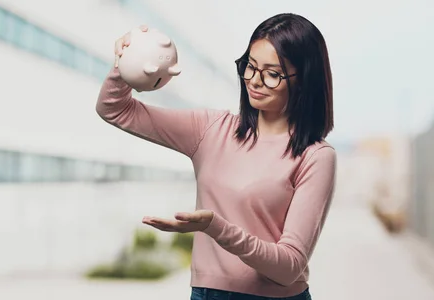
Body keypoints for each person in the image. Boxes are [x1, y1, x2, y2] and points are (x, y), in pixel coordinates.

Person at [96, 13, 335, 300]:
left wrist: (214, 226)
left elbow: (289, 268)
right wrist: (126, 62)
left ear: (304, 80)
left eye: (272, 74)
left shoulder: (316, 157)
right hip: (206, 294)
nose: (254, 82)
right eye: (250, 66)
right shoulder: (212, 130)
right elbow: (115, 109)